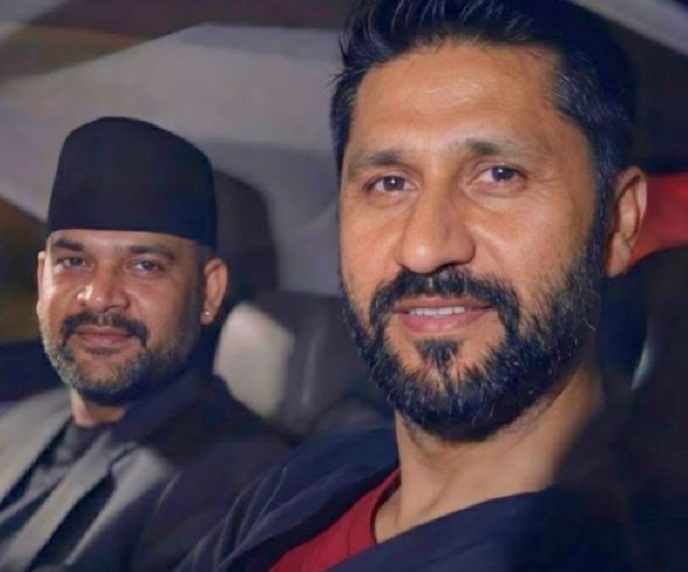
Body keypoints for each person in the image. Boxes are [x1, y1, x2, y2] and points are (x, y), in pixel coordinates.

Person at [177, 0, 648, 570]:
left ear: (618, 223)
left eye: (499, 176)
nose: (423, 248)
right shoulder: (309, 480)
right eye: (390, 183)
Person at [0, 117, 291, 572]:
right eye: (74, 261)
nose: (98, 296)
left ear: (209, 292)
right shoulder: (20, 426)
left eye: (145, 266)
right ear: (42, 279)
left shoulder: (244, 486)